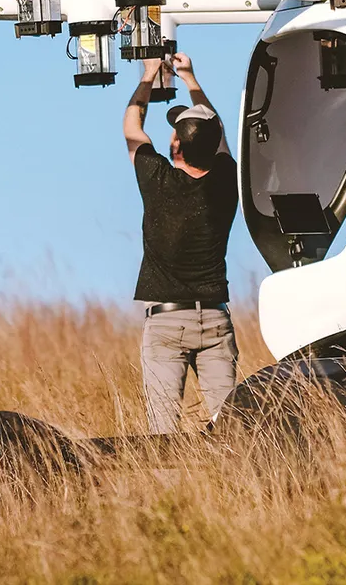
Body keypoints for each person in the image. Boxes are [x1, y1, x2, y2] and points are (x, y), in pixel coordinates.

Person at [123, 52, 240, 434]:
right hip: (216, 318)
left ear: (175, 148)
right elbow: (216, 129)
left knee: (163, 430)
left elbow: (131, 126)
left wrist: (148, 75)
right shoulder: (226, 179)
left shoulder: (157, 180)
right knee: (231, 425)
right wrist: (190, 78)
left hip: (167, 322)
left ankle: (176, 489)